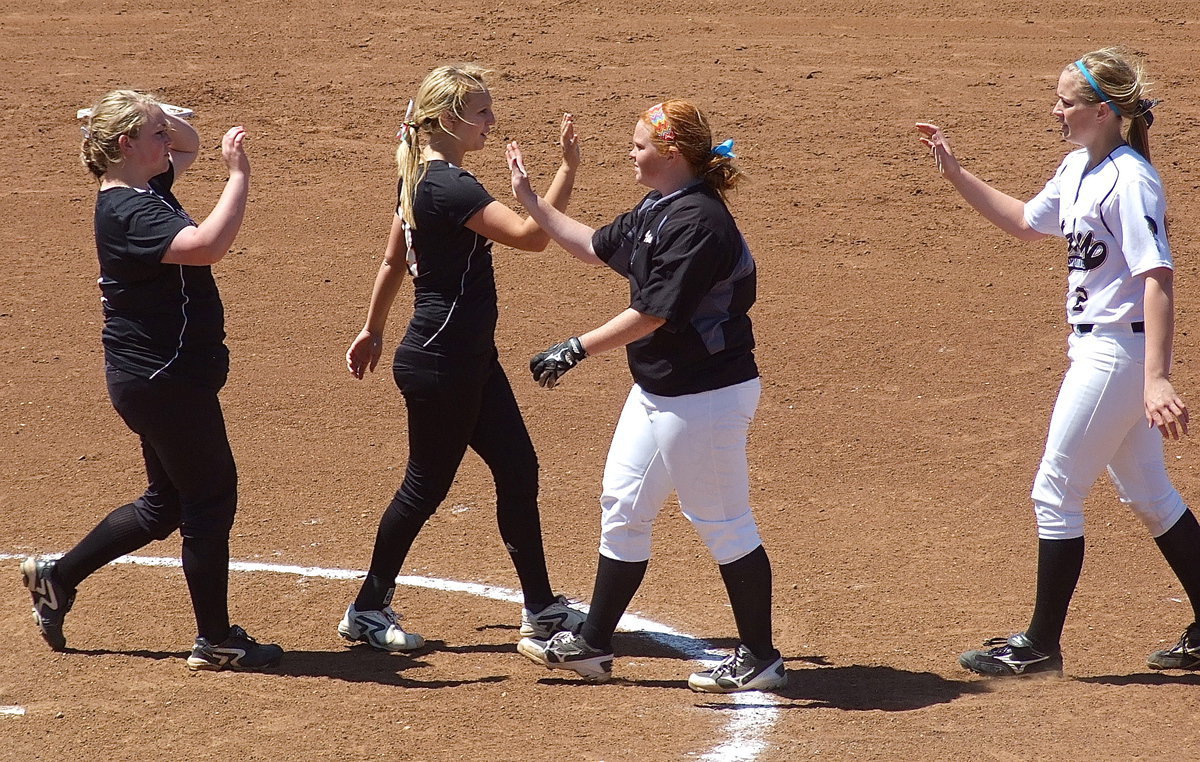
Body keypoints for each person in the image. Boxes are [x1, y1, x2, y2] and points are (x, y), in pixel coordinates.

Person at [916, 47, 1200, 677]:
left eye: (1067, 102)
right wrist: (955, 172)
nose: (1057, 111)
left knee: (1055, 491)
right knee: (1151, 493)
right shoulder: (1078, 168)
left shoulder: (1131, 180)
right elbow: (1024, 222)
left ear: (1102, 111)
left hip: (1116, 354)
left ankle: (1041, 644)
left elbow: (1158, 277)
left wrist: (1156, 377)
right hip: (1099, 348)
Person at [506, 100, 786, 693]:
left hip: (706, 396)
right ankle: (593, 645)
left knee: (724, 523)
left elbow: (655, 312)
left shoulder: (699, 223)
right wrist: (532, 202)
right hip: (658, 391)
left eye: (638, 146)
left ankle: (760, 655)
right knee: (623, 505)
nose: (630, 154)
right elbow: (594, 245)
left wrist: (576, 347)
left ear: (672, 154)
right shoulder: (658, 206)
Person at [20, 90, 283, 671]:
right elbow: (208, 245)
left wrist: (152, 109)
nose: (170, 142)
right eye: (156, 134)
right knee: (210, 499)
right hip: (164, 383)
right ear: (125, 146)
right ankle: (216, 640)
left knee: (167, 503)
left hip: (157, 378)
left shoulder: (144, 189)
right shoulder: (128, 211)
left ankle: (57, 578)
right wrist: (238, 175)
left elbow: (185, 144)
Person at [339, 63, 586, 652]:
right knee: (424, 487)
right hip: (443, 363)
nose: (492, 122)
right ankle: (368, 608)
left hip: (466, 358)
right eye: (481, 113)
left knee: (518, 468)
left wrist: (372, 329)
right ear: (448, 119)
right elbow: (532, 236)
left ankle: (542, 608)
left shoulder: (418, 177)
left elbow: (393, 261)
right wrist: (566, 172)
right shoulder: (451, 186)